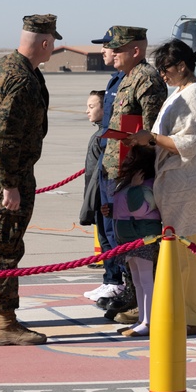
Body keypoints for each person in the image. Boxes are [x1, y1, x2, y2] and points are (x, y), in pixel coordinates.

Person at [0, 14, 60, 346]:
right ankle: (5, 322)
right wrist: (9, 183)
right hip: (8, 176)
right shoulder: (22, 80)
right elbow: (5, 135)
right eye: (53, 42)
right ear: (45, 42)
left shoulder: (2, 67)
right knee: (5, 248)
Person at [126, 39, 196, 336]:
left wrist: (149, 139)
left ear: (182, 66)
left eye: (165, 69)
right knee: (184, 246)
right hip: (179, 176)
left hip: (188, 177)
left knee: (182, 249)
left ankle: (189, 313)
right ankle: (187, 310)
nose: (162, 75)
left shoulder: (195, 94)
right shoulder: (182, 90)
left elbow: (187, 143)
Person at [98, 26, 166, 316]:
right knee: (120, 235)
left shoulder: (146, 79)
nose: (111, 53)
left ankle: (141, 299)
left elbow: (151, 134)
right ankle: (132, 291)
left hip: (133, 173)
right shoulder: (126, 78)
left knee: (137, 238)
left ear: (135, 50)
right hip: (116, 169)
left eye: (117, 48)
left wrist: (139, 175)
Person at [84, 29, 127, 301]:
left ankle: (121, 283)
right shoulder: (115, 81)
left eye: (108, 46)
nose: (103, 50)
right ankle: (111, 279)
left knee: (115, 231)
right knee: (105, 230)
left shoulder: (132, 81)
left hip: (118, 177)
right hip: (105, 176)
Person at [111, 146, 160, 338]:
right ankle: (142, 318)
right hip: (128, 237)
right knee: (138, 280)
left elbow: (138, 210)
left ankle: (149, 321)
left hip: (142, 236)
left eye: (132, 156)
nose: (126, 159)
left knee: (146, 280)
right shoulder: (128, 182)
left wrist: (135, 188)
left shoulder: (146, 184)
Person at [79, 90, 104, 229]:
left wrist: (89, 208)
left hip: (99, 201)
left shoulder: (101, 137)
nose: (87, 111)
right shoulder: (99, 135)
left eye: (91, 107)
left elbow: (95, 177)